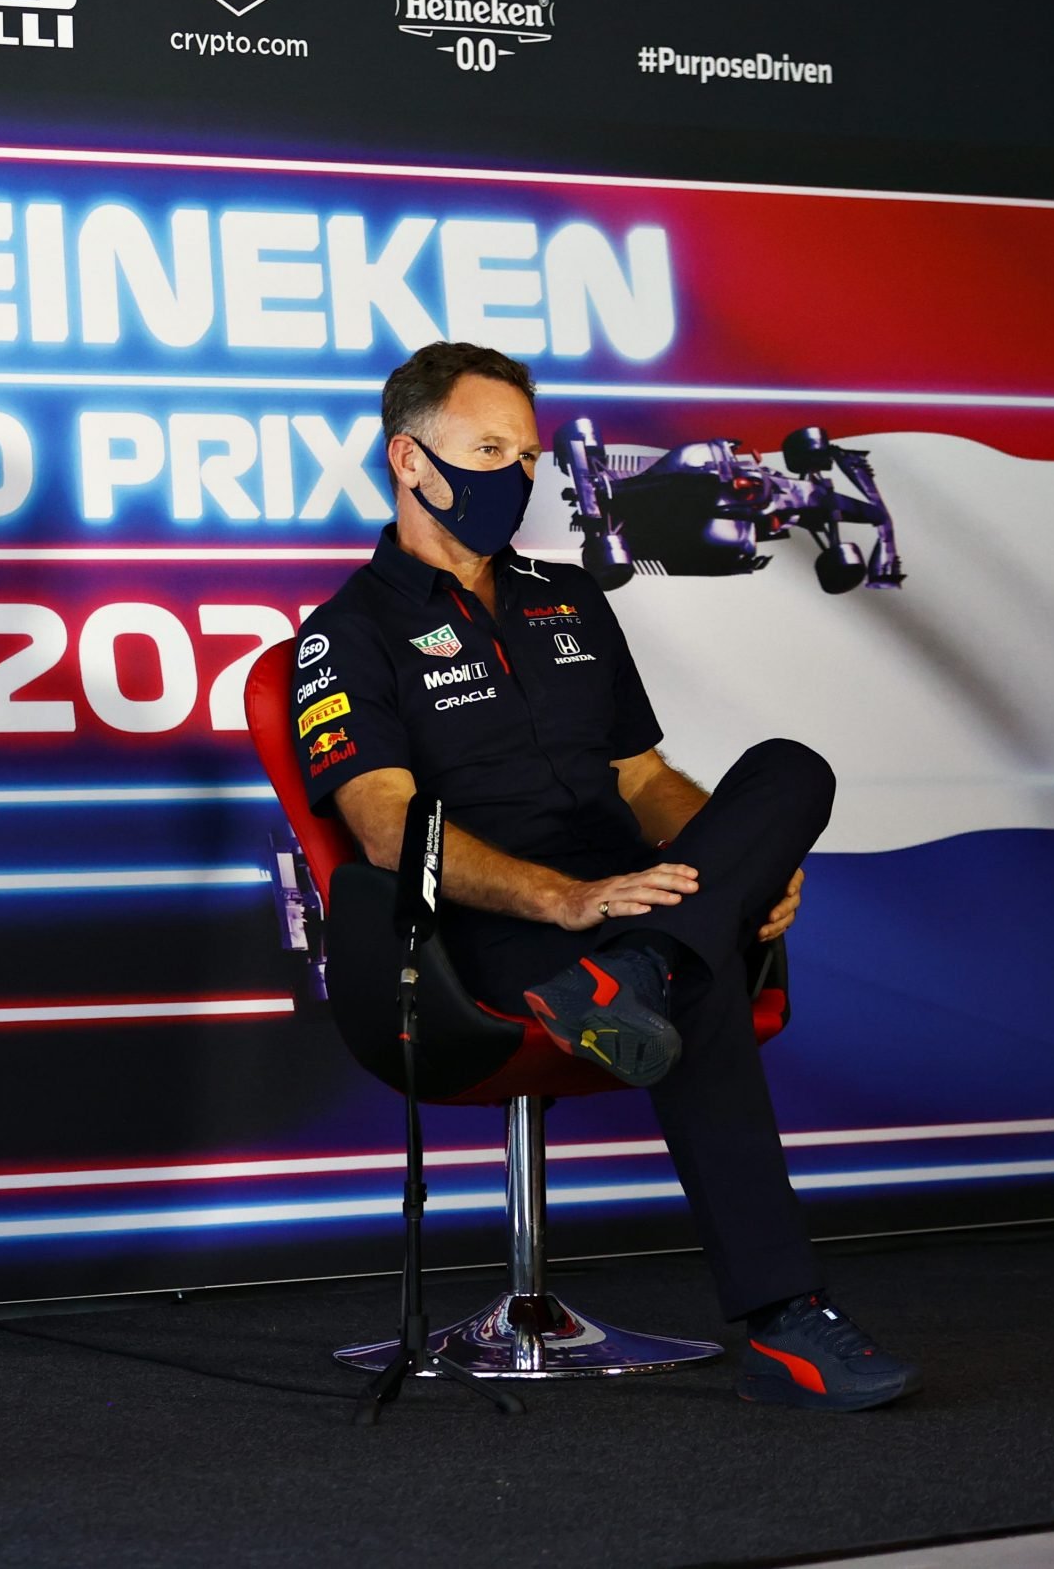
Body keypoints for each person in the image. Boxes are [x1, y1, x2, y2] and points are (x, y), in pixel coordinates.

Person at [293, 340, 918, 1412]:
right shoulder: (346, 634)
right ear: (408, 459)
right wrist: (564, 901)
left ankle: (641, 964)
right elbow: (391, 833)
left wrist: (740, 867)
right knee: (699, 972)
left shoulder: (568, 596)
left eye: (525, 452)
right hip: (491, 932)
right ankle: (785, 1326)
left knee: (787, 774)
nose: (516, 474)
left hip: (631, 902)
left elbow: (642, 778)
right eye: (486, 449)